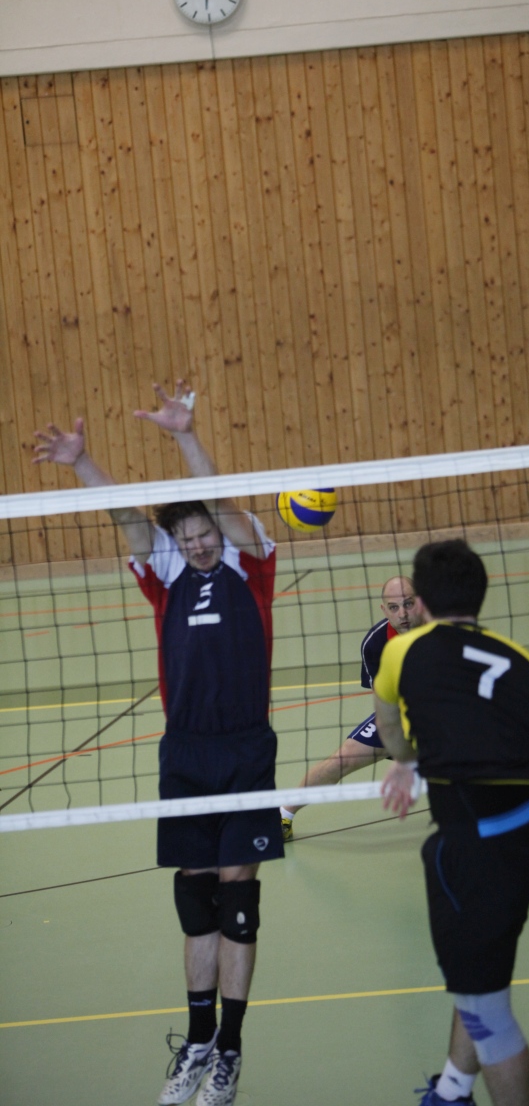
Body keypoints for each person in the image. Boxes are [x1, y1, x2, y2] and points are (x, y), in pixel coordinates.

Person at [33, 381, 280, 1106]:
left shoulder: (251, 565)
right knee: (195, 898)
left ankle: (230, 1049)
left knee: (238, 896)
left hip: (246, 751)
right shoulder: (166, 575)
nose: (198, 543)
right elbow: (129, 522)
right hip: (185, 754)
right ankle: (198, 1041)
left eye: (205, 532)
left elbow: (223, 501)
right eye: (187, 536)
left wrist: (185, 437)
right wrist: (82, 463)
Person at [375, 539, 529, 1106]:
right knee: (481, 975)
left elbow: (391, 736)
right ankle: (454, 1091)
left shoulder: (400, 652)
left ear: (421, 601)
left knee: (488, 1014)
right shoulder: (526, 662)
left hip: (475, 854)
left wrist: (411, 760)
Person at [279, 576, 425, 839]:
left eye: (408, 604)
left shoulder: (442, 630)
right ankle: (284, 815)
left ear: (421, 602)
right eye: (393, 607)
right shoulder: (376, 643)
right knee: (341, 760)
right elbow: (384, 702)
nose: (402, 614)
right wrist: (398, 740)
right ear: (384, 610)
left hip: (447, 716)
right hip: (400, 716)